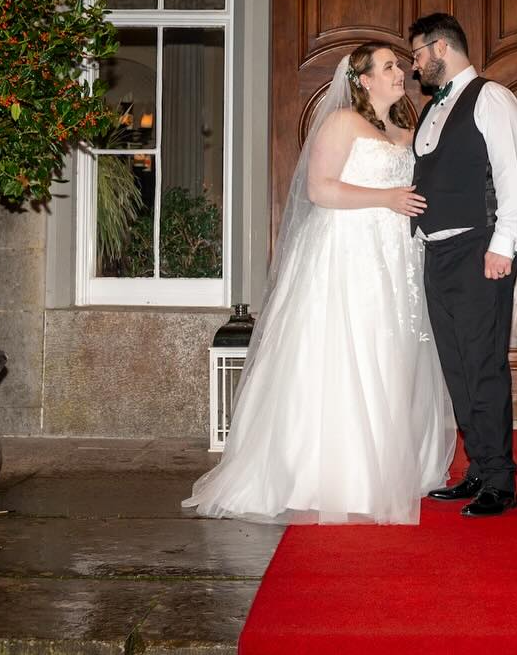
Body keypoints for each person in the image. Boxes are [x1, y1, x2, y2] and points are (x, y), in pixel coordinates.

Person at [183, 43, 455, 525]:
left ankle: (385, 470)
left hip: (397, 260)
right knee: (348, 355)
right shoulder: (342, 123)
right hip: (349, 255)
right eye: (389, 66)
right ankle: (333, 476)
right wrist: (385, 197)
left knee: (391, 357)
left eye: (399, 64)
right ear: (364, 80)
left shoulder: (406, 131)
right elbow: (320, 188)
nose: (400, 72)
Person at [407, 13, 517, 518]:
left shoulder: (491, 97)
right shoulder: (431, 108)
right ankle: (478, 468)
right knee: (457, 368)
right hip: (437, 253)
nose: (414, 66)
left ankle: (501, 480)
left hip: (480, 250)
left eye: (417, 54)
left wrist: (503, 245)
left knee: (483, 365)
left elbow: (511, 174)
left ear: (440, 48)